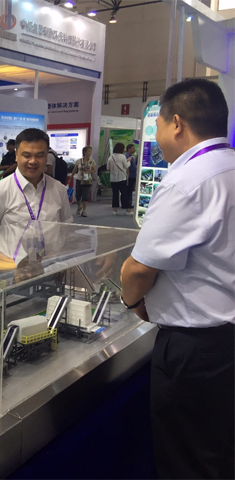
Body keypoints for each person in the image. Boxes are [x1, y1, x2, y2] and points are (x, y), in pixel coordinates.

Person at [120, 78, 235, 480]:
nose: (155, 138)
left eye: (156, 127)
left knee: (187, 461)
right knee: (221, 453)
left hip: (195, 353)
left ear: (177, 124)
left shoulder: (185, 181)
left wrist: (134, 303)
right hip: (226, 345)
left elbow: (138, 268)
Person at [0, 128, 73, 228]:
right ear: (16, 155)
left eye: (39, 155)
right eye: (27, 155)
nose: (33, 161)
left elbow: (66, 228)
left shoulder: (59, 189)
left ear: (47, 156)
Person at [71, 146, 96, 217]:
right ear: (84, 152)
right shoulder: (79, 161)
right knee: (78, 195)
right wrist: (71, 178)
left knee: (86, 195)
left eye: (90, 151)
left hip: (87, 179)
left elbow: (94, 169)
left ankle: (84, 211)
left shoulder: (92, 161)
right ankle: (79, 206)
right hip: (79, 179)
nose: (90, 153)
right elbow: (75, 170)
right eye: (88, 151)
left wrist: (87, 172)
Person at [108, 142, 132, 215]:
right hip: (122, 178)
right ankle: (127, 210)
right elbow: (126, 166)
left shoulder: (111, 157)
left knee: (115, 194)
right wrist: (129, 161)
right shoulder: (122, 156)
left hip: (113, 179)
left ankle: (115, 210)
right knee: (124, 194)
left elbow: (108, 168)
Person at [125, 143, 138, 208]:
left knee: (131, 189)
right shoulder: (127, 156)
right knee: (129, 190)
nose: (134, 149)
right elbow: (127, 166)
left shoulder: (131, 156)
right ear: (129, 149)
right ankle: (128, 203)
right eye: (133, 148)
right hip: (130, 176)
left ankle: (130, 203)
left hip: (133, 175)